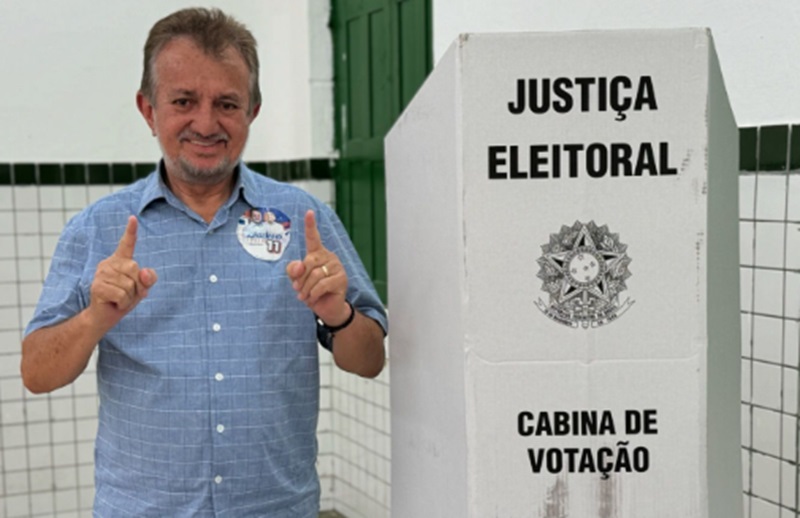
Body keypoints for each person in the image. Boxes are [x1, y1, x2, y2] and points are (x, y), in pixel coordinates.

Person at [20, 7, 387, 517]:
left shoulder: (306, 220)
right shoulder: (98, 230)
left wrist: (339, 314)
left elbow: (369, 361)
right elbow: (37, 372)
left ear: (253, 111)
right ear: (148, 110)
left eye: (227, 104)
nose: (206, 123)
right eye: (184, 101)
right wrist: (94, 319)